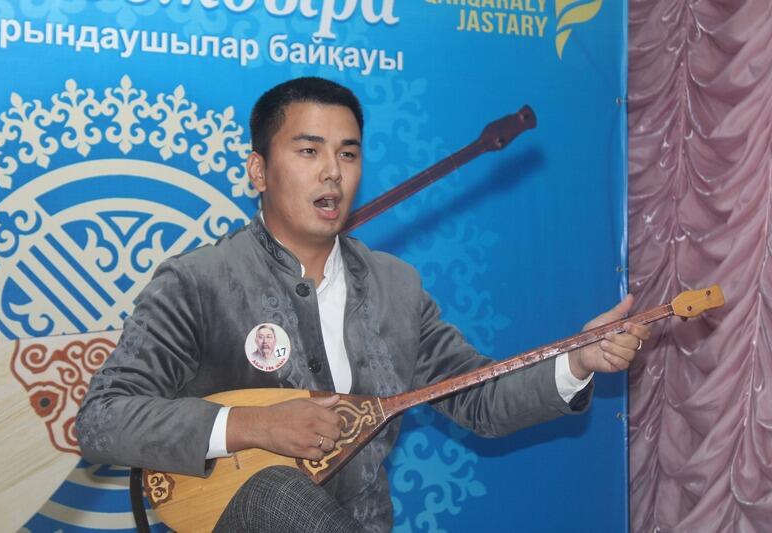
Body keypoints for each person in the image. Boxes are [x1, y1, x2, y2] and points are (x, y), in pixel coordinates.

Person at [76, 77, 651, 532]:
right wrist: (256, 425)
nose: (332, 171)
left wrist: (579, 361)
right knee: (274, 491)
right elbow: (102, 419)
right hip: (236, 515)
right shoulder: (198, 281)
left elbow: (479, 399)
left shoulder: (395, 287)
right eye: (309, 150)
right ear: (258, 170)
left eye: (348, 154)